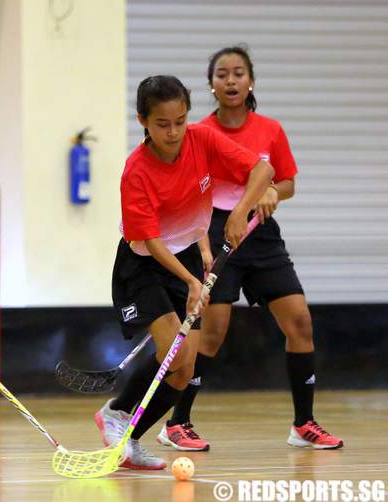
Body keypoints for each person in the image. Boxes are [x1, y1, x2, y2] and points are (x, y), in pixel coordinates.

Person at [156, 46, 343, 452]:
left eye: (238, 73)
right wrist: (206, 237)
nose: (231, 81)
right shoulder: (199, 133)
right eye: (222, 74)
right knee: (213, 333)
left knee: (300, 322)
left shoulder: (270, 130)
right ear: (211, 84)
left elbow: (288, 181)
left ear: (251, 80)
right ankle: (177, 422)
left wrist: (273, 191)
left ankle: (303, 423)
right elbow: (189, 192)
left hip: (262, 233)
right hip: (214, 230)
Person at [95, 75, 274, 470]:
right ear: (143, 120)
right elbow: (153, 241)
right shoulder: (135, 172)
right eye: (162, 124)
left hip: (189, 256)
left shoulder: (202, 140)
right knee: (172, 352)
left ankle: (131, 437)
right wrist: (192, 281)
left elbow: (262, 170)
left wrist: (239, 212)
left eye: (179, 120)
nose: (173, 132)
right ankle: (116, 412)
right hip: (143, 265)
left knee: (184, 368)